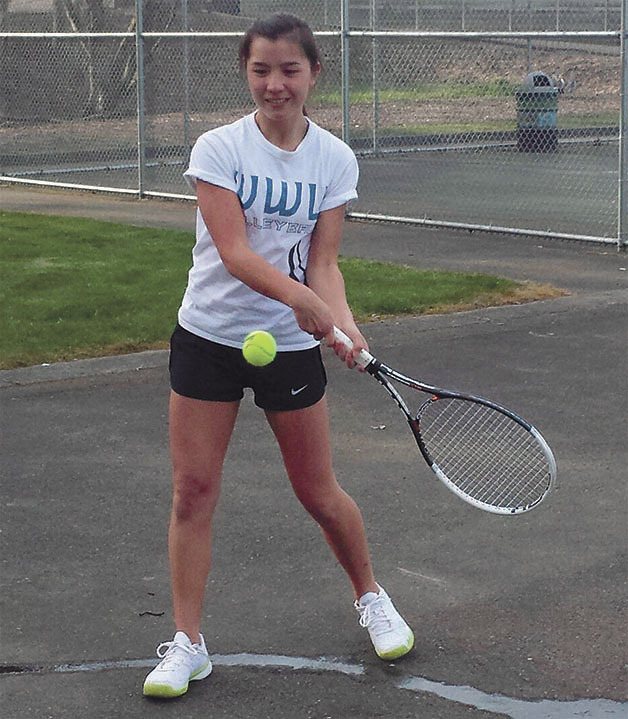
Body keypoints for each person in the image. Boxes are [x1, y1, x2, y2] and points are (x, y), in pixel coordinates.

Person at [142, 13, 414, 700]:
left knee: (318, 492)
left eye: (289, 70)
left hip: (289, 348)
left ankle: (372, 597)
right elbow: (234, 253)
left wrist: (341, 323)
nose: (275, 84)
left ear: (314, 74)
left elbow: (324, 263)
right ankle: (188, 643)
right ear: (247, 72)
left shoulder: (333, 160)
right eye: (261, 69)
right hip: (208, 336)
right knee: (192, 491)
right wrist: (305, 301)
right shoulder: (218, 149)